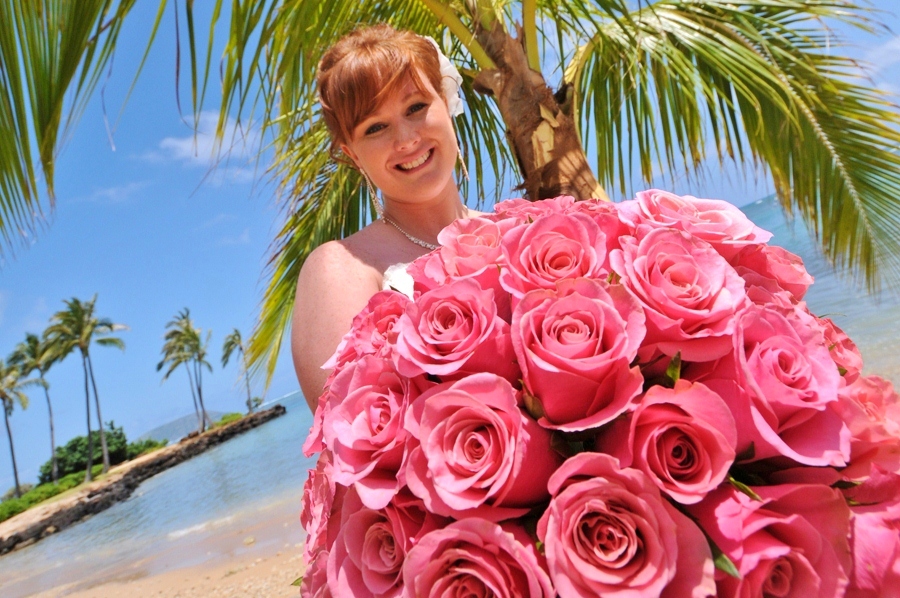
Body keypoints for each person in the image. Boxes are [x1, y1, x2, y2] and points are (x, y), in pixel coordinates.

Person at [291, 24, 474, 410]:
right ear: (353, 155)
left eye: (416, 107)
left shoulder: (523, 231)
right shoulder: (341, 269)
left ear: (446, 101)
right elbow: (352, 440)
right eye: (375, 127)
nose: (406, 139)